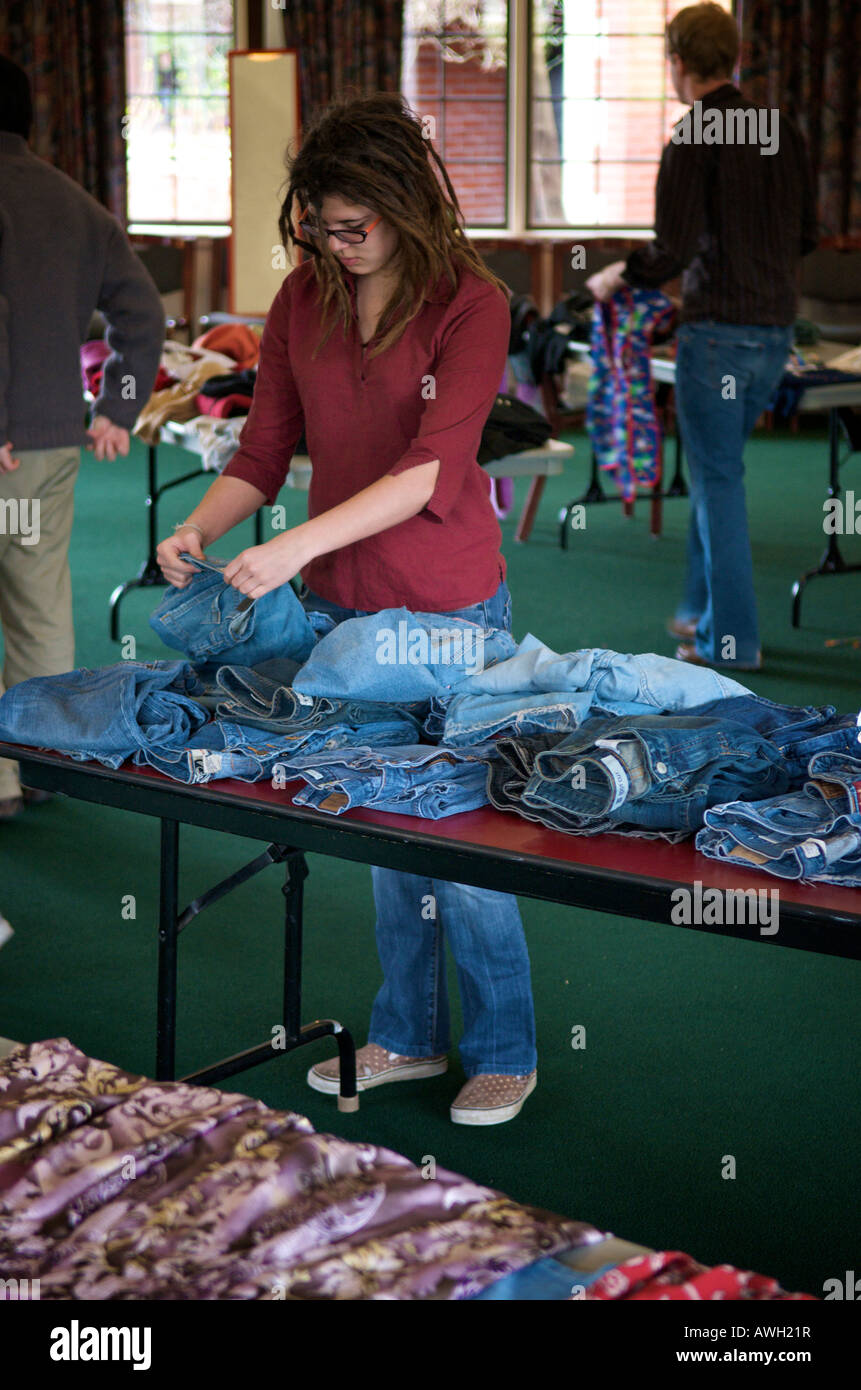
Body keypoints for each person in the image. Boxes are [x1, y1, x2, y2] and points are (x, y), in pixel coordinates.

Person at [156, 92, 538, 1126]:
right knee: (380, 817)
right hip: (342, 610)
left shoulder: (473, 301)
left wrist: (288, 545)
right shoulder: (302, 300)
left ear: (406, 205)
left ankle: (505, 1044)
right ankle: (409, 1032)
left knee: (461, 828)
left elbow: (428, 472)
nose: (334, 244)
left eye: (352, 226)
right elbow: (263, 452)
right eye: (318, 226)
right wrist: (201, 527)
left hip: (453, 608)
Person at [586, 1, 817, 672]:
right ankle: (697, 612)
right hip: (773, 337)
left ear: (678, 63)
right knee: (720, 473)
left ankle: (731, 641)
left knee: (717, 479)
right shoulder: (780, 130)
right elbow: (804, 234)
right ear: (734, 56)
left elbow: (669, 249)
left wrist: (612, 278)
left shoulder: (692, 137)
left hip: (716, 336)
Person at [0, 56, 164, 818]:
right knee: (37, 602)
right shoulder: (79, 206)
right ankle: (37, 766)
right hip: (48, 447)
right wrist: (116, 408)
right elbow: (143, 316)